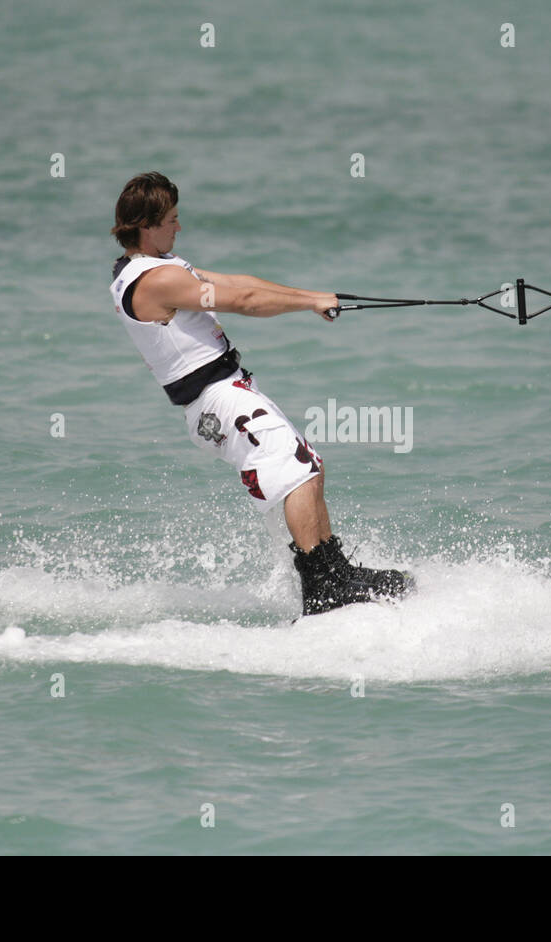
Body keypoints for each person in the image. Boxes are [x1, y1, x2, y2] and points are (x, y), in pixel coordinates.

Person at [107, 172, 413, 616]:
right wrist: (308, 305)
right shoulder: (156, 281)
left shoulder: (160, 267)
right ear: (147, 225)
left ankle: (335, 571)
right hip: (217, 399)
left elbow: (238, 281)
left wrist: (314, 296)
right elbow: (245, 300)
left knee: (306, 464)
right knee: (296, 470)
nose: (179, 227)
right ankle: (324, 588)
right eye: (172, 219)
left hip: (225, 395)